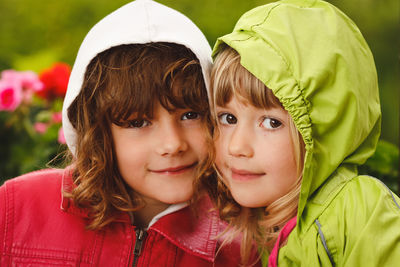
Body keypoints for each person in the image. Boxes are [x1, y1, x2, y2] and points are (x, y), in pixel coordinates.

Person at [0, 0, 251, 266]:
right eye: (139, 122)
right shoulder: (16, 208)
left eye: (191, 115)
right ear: (98, 133)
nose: (173, 144)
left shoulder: (241, 248)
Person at [208, 0, 400, 266]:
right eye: (228, 118)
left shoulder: (357, 210)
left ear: (323, 129)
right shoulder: (246, 228)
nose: (237, 147)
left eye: (271, 123)